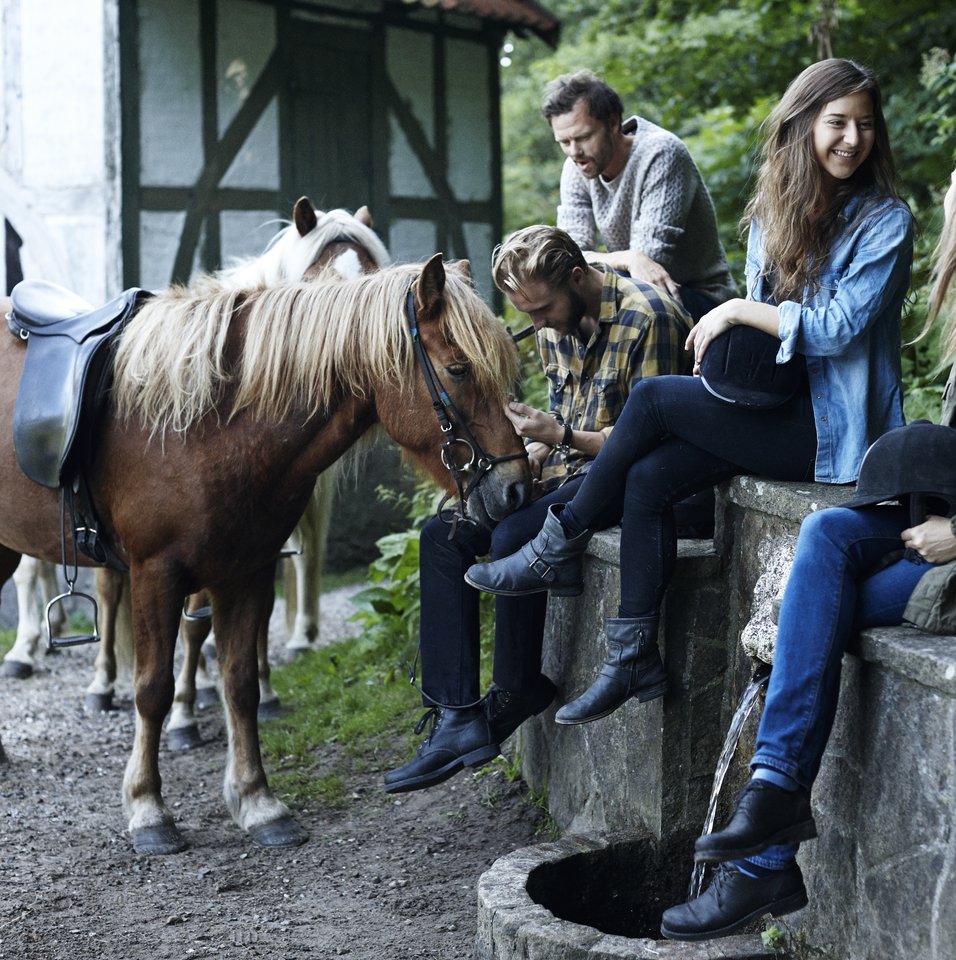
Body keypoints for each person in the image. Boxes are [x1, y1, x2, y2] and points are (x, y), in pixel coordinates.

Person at [655, 122, 956, 940]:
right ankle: (769, 807)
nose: (944, 197)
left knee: (820, 606)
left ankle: (764, 859)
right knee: (830, 536)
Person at [468, 59, 912, 727]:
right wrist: (735, 354)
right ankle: (632, 657)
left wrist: (734, 311)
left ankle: (557, 540)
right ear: (802, 128)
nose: (853, 138)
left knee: (650, 403)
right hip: (773, 404)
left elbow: (838, 331)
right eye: (837, 123)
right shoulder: (772, 214)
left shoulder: (886, 222)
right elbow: (770, 346)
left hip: (833, 430)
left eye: (865, 125)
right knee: (649, 477)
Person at [383, 226, 698, 794]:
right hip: (564, 469)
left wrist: (560, 435)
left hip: (625, 481)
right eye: (526, 312)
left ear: (577, 278)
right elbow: (558, 420)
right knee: (442, 536)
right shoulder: (552, 322)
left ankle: (516, 688)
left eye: (544, 308)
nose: (538, 323)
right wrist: (529, 452)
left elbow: (653, 443)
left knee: (513, 537)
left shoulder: (649, 318)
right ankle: (455, 715)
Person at [544, 69, 737, 320]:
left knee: (606, 291)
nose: (574, 151)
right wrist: (629, 258)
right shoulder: (575, 167)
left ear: (613, 124)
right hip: (634, 285)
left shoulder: (661, 153)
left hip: (700, 298)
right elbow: (568, 258)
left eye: (583, 137)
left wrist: (635, 260)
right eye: (564, 142)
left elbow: (650, 259)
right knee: (561, 294)